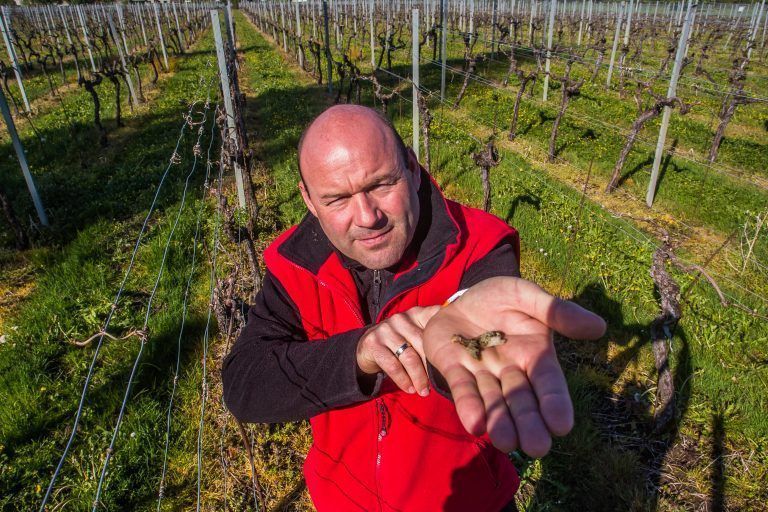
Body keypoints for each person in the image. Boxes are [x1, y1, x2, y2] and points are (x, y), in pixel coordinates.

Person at [222, 105, 606, 512]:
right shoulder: (295, 264)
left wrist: (456, 345)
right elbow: (246, 386)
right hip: (342, 500)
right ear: (309, 200)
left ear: (412, 167)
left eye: (382, 184)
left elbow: (483, 330)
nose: (367, 217)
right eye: (337, 200)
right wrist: (359, 354)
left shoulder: (480, 245)